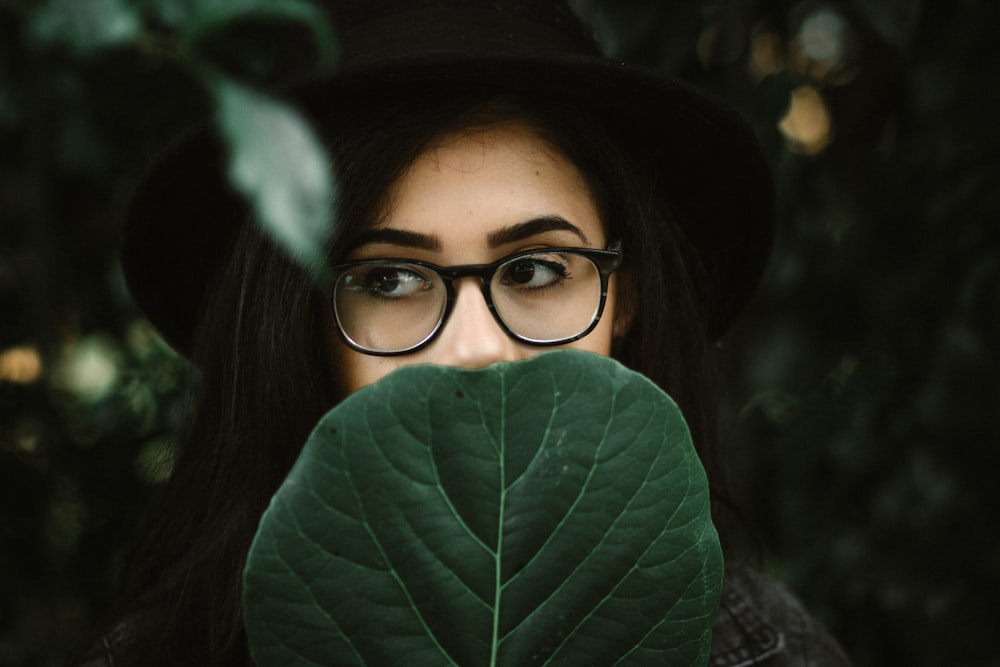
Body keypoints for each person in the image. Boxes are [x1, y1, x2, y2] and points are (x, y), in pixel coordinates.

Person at [73, 1, 853, 665]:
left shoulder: (769, 649)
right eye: (391, 279)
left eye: (537, 269)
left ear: (626, 297)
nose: (477, 348)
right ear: (301, 323)